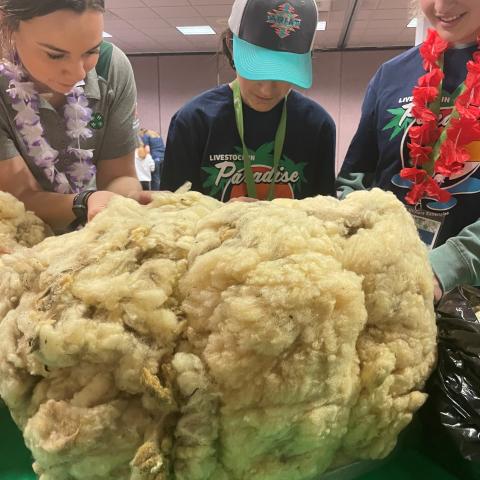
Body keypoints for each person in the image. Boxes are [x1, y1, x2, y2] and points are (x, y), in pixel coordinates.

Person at [337, 0, 480, 302]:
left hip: (470, 296)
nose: (443, 5)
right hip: (387, 283)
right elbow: (355, 175)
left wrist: (450, 264)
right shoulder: (391, 74)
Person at [161, 0, 336, 202]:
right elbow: (171, 217)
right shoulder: (193, 122)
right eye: (256, 69)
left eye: (283, 72)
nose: (267, 89)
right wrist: (224, 216)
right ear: (231, 45)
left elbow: (325, 217)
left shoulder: (317, 125)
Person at [0, 0, 151, 233]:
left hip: (91, 241)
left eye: (91, 51)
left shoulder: (110, 67)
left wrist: (127, 201)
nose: (79, 72)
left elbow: (118, 175)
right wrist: (84, 202)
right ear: (8, 27)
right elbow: (17, 198)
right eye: (55, 55)